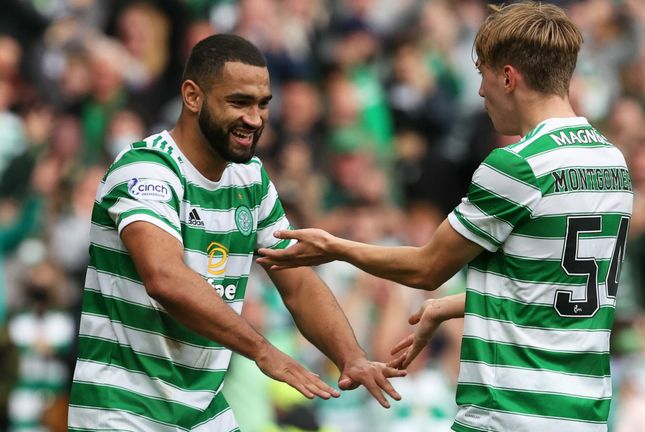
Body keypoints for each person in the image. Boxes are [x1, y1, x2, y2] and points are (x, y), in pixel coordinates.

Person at [257, 2, 634, 431]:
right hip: (584, 413)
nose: (480, 92)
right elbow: (551, 292)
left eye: (483, 75)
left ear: (508, 78)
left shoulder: (519, 164)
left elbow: (426, 267)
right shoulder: (611, 162)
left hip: (509, 413)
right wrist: (445, 308)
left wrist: (334, 247)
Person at [67, 34, 405, 431]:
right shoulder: (146, 169)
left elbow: (296, 282)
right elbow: (164, 279)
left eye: (262, 105)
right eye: (239, 102)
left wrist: (351, 356)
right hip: (122, 408)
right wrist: (263, 351)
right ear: (192, 96)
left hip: (202, 408)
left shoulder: (250, 178)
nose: (255, 119)